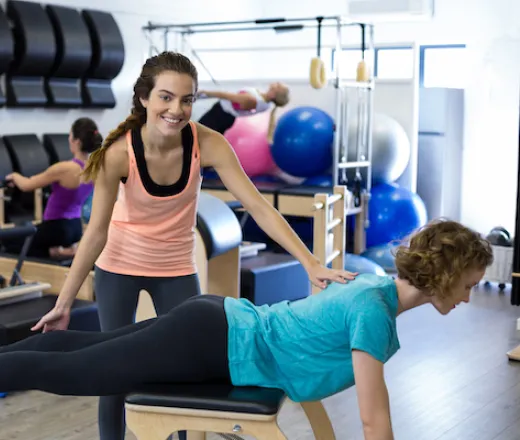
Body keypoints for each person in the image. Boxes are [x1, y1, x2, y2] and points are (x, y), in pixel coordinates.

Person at [29, 51, 353, 440]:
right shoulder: (119, 155)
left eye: (187, 99)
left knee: (185, 371)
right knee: (112, 374)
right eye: (166, 97)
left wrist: (310, 262)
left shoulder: (209, 144)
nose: (176, 109)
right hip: (119, 266)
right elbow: (96, 233)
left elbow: (258, 207)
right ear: (145, 98)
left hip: (176, 269)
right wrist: (64, 303)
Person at [0, 219, 493, 440]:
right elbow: (373, 423)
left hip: (216, 324)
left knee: (79, 350)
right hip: (213, 342)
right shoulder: (374, 312)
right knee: (78, 373)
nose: (469, 295)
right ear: (446, 275)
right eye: (468, 284)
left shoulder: (373, 287)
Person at [2, 118, 101, 259]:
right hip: (75, 228)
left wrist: (15, 176)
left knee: (8, 244)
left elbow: (27, 185)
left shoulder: (65, 168)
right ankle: (63, 250)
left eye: (70, 135)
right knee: (29, 242)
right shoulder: (94, 169)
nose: (69, 139)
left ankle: (58, 252)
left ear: (77, 141)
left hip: (57, 227)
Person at [197, 82, 289, 142]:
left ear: (273, 95)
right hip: (223, 116)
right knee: (202, 140)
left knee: (194, 135)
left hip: (220, 116)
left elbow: (226, 95)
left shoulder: (253, 100)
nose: (276, 83)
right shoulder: (265, 103)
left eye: (278, 86)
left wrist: (205, 93)